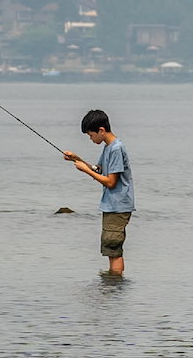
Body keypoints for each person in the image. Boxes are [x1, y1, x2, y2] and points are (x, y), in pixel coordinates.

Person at [63, 109, 135, 275]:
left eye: (91, 135)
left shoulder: (116, 148)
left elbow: (110, 182)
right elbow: (99, 169)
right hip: (112, 205)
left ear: (101, 130)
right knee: (110, 248)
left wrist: (86, 171)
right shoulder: (109, 147)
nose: (90, 139)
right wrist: (77, 159)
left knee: (113, 247)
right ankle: (112, 283)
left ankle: (115, 286)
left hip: (118, 206)